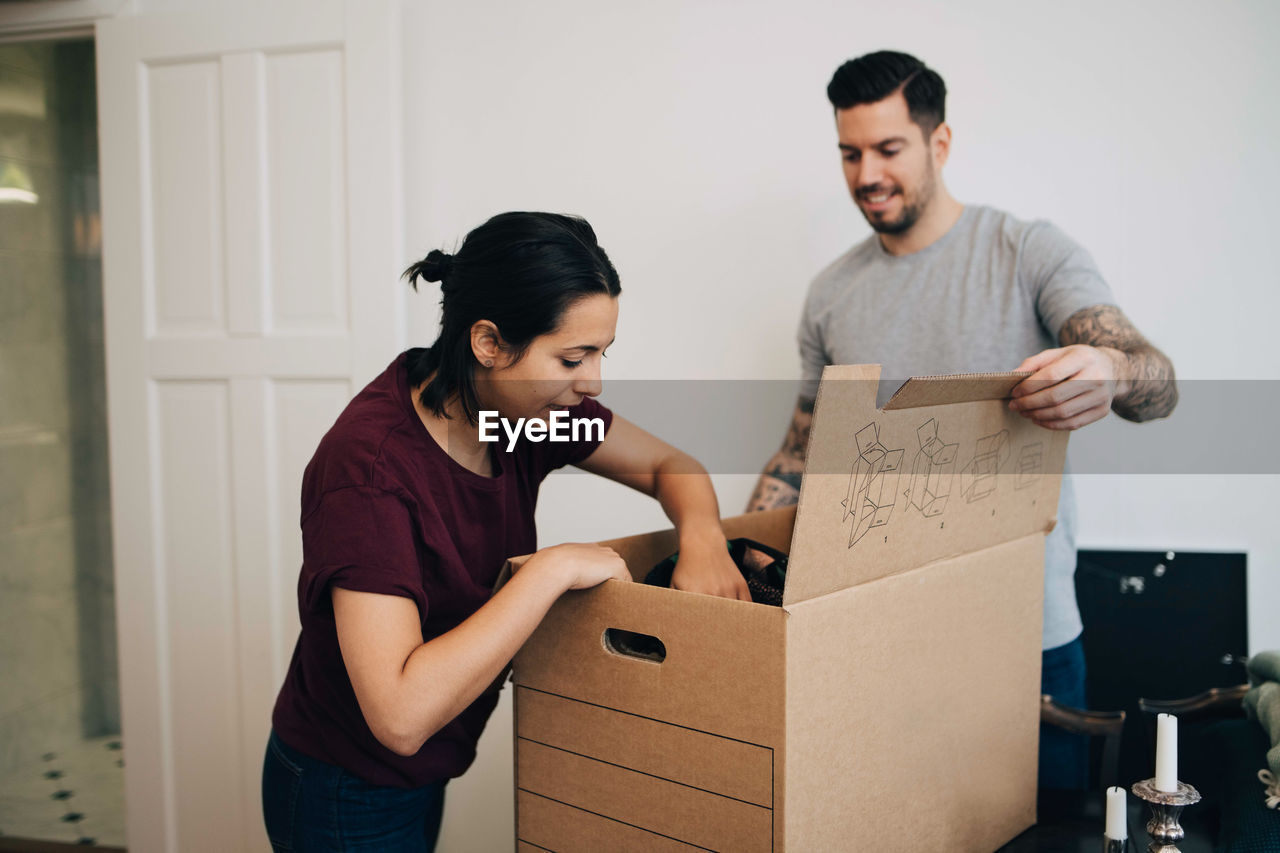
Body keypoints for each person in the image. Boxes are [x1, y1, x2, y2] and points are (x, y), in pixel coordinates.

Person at [746, 51, 1178, 789]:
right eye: (849, 153)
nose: (866, 175)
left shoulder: (1027, 251)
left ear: (938, 144)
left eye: (888, 149)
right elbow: (801, 450)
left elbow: (1155, 379)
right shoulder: (830, 295)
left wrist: (1108, 371)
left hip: (1025, 641)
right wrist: (740, 555)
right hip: (877, 639)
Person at [263, 211, 751, 851]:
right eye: (573, 357)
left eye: (601, 353)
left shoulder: (515, 419)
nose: (594, 381)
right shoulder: (371, 472)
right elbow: (402, 715)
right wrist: (550, 571)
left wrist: (705, 540)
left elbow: (670, 466)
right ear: (489, 343)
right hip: (343, 790)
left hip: (416, 776)